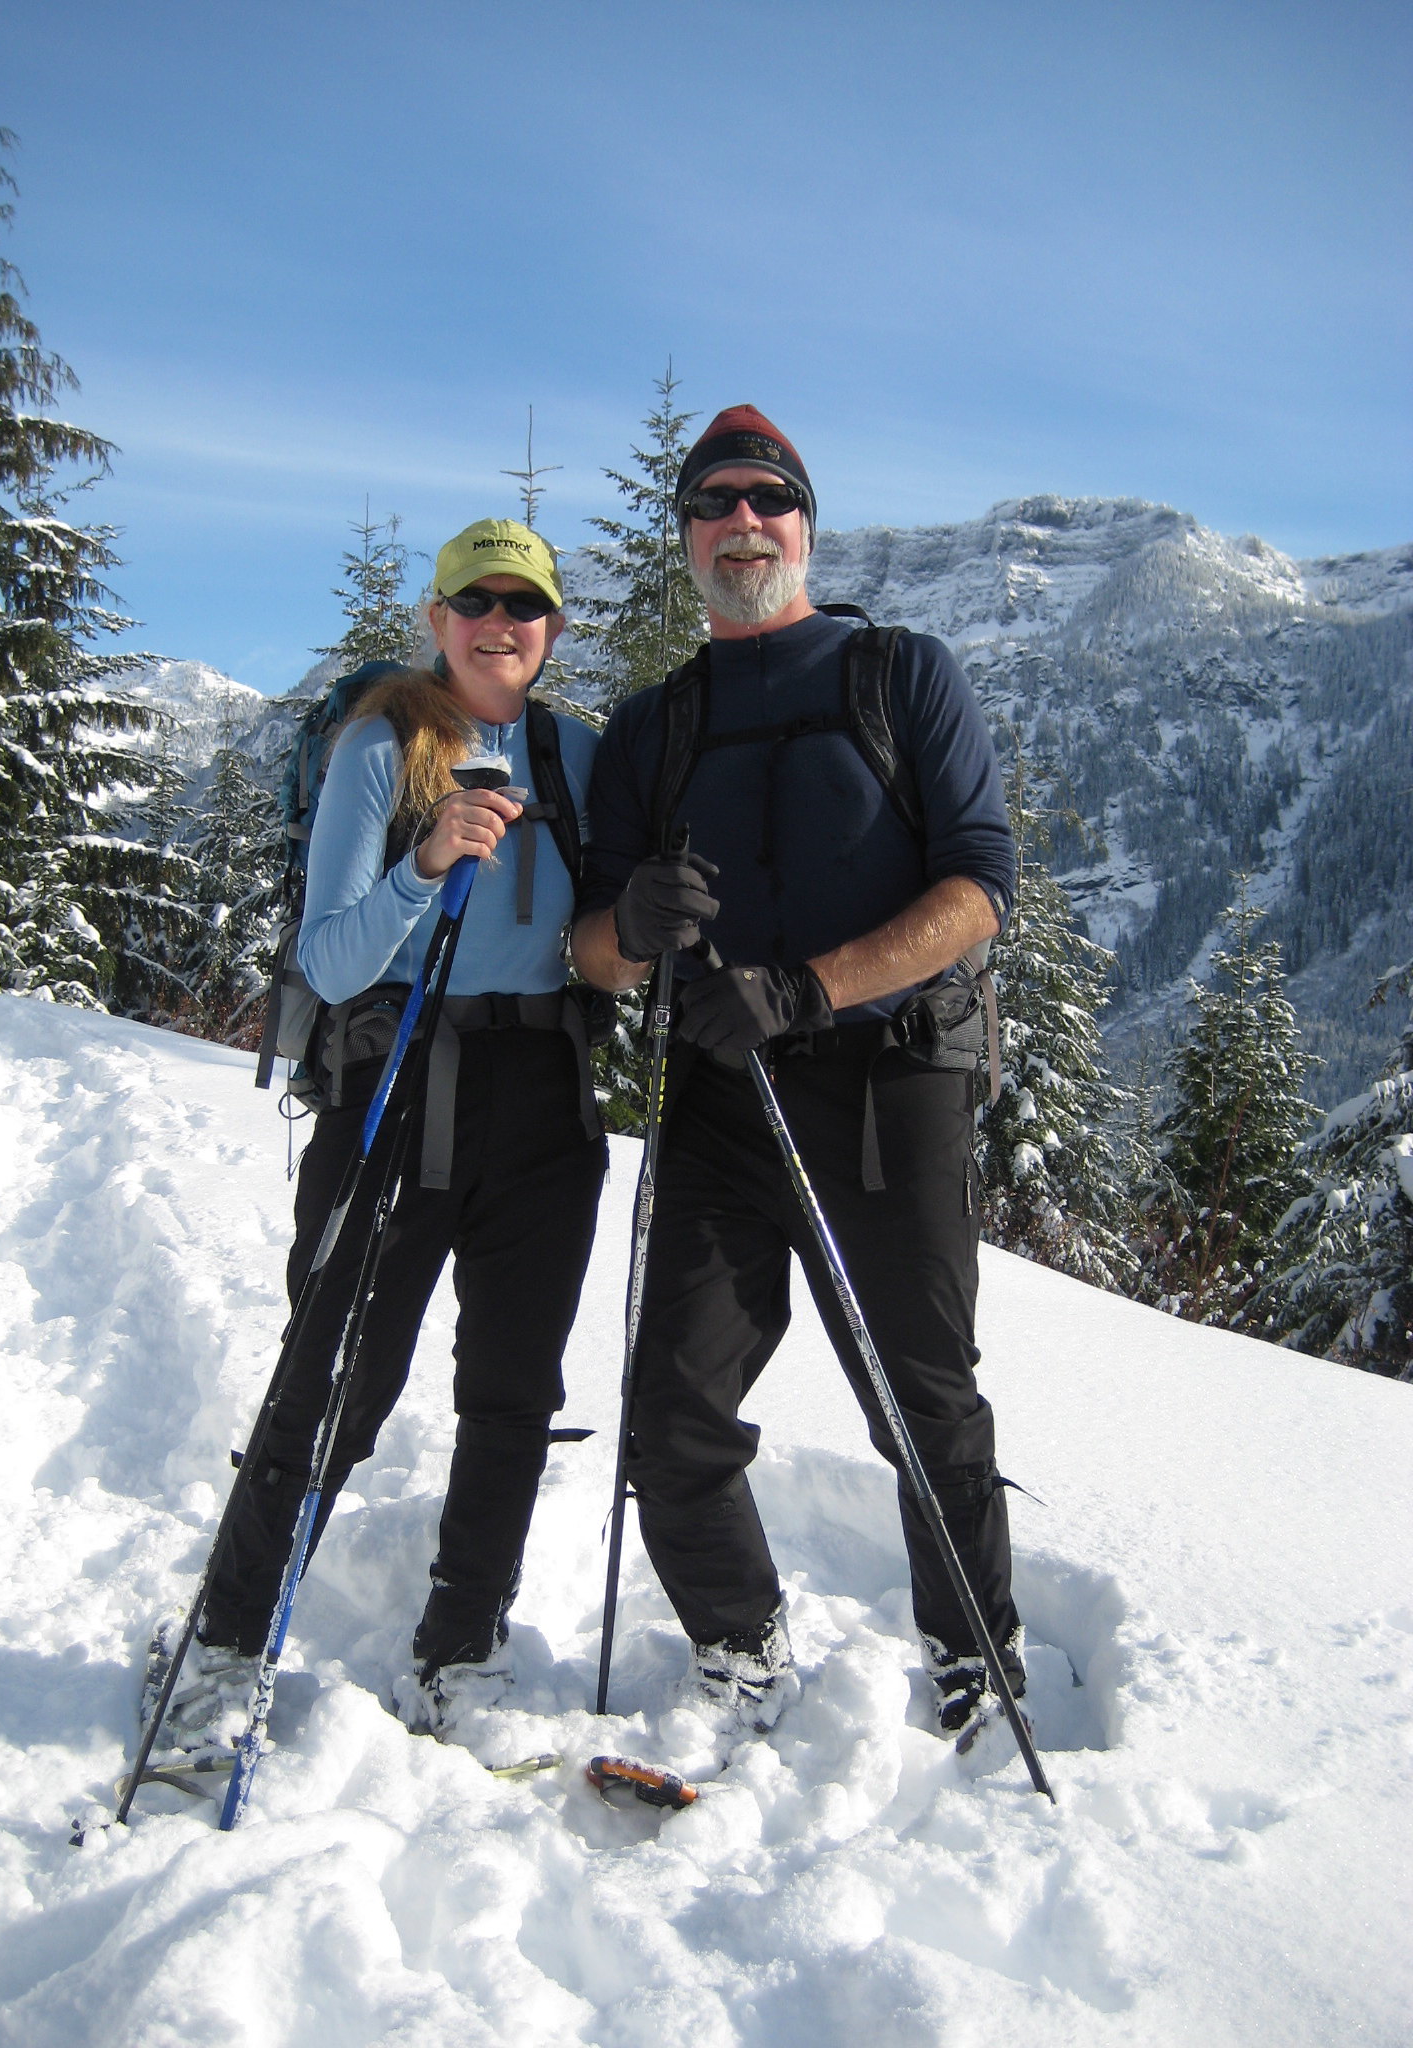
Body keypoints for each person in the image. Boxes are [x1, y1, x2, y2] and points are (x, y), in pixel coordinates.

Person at [571, 406, 1024, 1745]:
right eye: (713, 502)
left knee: (922, 1400)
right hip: (717, 1102)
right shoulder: (653, 729)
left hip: (892, 1088)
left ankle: (972, 1655)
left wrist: (811, 983)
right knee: (669, 1408)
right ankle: (739, 1639)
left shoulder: (900, 673)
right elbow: (593, 956)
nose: (742, 519)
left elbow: (982, 888)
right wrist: (632, 926)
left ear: (804, 524)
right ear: (688, 541)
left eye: (768, 497)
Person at [162, 518, 605, 1748]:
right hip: (396, 1080)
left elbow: (604, 933)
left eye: (526, 604)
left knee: (512, 1389)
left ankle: (463, 1644)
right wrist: (424, 860)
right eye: (478, 600)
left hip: (544, 1097)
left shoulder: (576, 754)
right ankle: (224, 1638)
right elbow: (332, 955)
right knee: (337, 1375)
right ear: (439, 618)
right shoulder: (383, 747)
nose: (500, 622)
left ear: (552, 626)